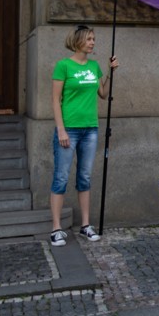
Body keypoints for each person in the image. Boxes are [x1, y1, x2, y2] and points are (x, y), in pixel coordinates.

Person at [50, 25, 118, 247]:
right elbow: (55, 100)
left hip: (90, 129)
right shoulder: (63, 66)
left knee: (85, 177)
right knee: (61, 177)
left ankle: (85, 226)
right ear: (78, 40)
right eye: (89, 39)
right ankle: (56, 229)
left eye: (93, 39)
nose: (92, 43)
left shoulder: (94, 66)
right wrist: (60, 129)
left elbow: (103, 93)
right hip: (69, 129)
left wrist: (110, 72)